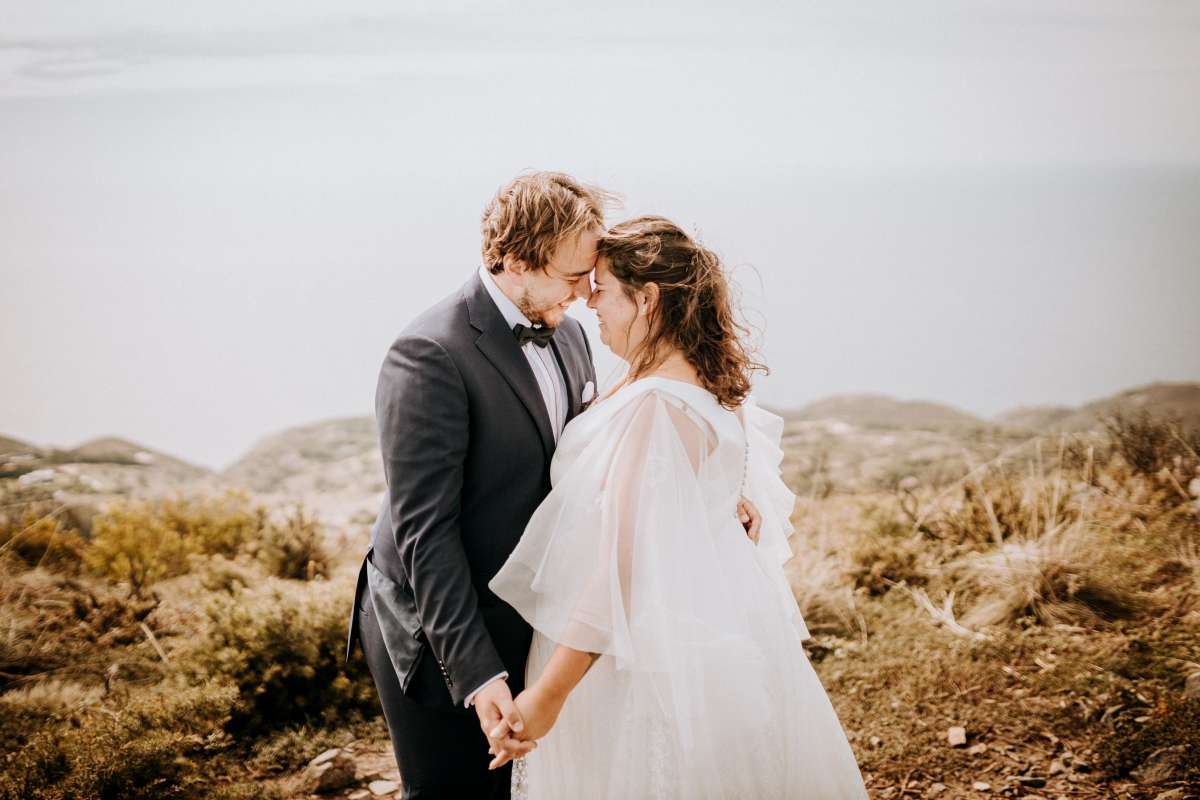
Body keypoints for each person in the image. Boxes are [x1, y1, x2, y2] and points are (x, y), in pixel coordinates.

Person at [345, 174, 764, 799]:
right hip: (439, 623)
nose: (587, 294)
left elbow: (591, 456)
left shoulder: (565, 332)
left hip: (532, 610)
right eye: (575, 277)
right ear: (516, 260)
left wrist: (690, 490)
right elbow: (422, 534)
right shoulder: (430, 352)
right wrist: (476, 670)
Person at [487, 216, 870, 799]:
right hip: (706, 632)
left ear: (648, 298)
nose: (590, 301)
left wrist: (550, 695)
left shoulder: (656, 407)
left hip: (633, 658)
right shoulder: (708, 382)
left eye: (605, 289)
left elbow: (617, 568)